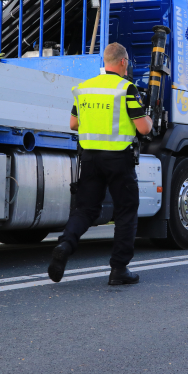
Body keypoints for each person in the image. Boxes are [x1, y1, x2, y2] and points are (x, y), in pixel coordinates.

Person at [48, 42, 153, 285]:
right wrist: (147, 116)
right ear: (123, 62)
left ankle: (65, 244)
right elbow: (144, 127)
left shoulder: (84, 88)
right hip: (118, 158)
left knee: (86, 210)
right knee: (126, 211)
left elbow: (73, 125)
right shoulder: (126, 89)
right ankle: (119, 269)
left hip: (90, 158)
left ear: (105, 63)